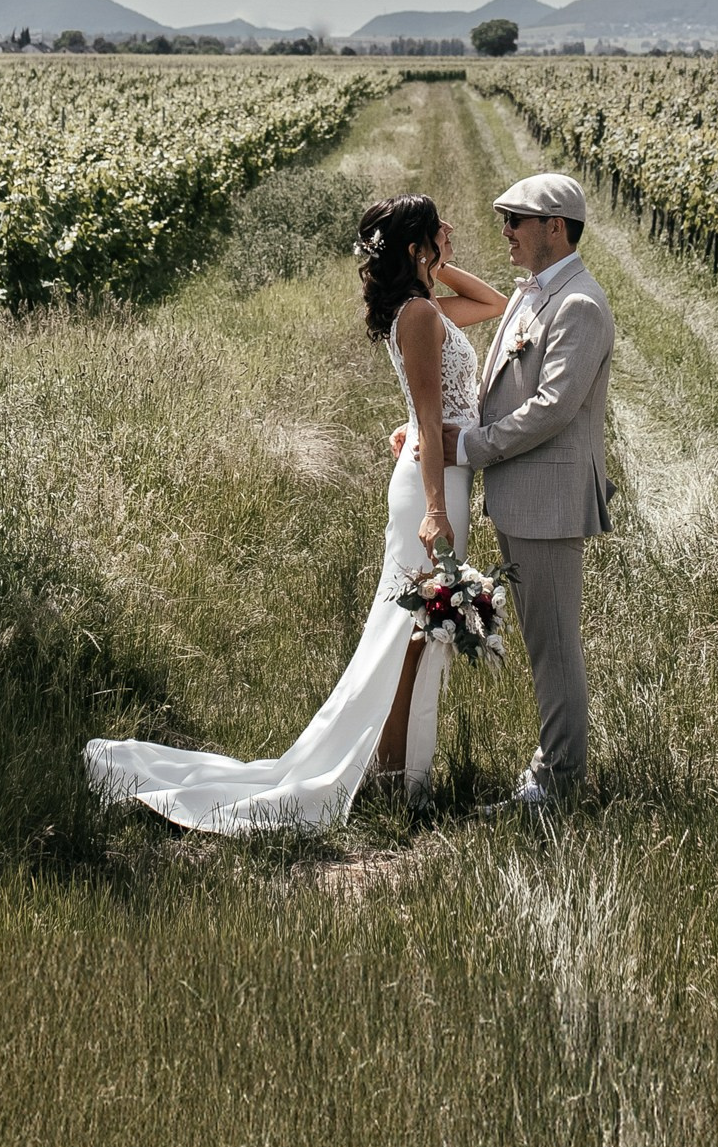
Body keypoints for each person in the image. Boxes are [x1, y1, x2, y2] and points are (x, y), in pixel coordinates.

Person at [82, 195, 506, 833]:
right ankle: (393, 784)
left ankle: (396, 777)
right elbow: (426, 419)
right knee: (409, 640)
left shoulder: (425, 307)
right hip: (432, 490)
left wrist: (433, 261)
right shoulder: (418, 316)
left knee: (415, 638)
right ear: (416, 244)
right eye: (438, 226)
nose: (453, 229)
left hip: (440, 476)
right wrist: (439, 509)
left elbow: (493, 305)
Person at [447, 173, 614, 814]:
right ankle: (550, 771)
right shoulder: (533, 294)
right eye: (504, 219)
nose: (506, 231)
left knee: (553, 645)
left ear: (555, 227)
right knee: (544, 641)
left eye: (516, 219)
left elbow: (551, 409)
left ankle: (560, 787)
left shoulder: (580, 305)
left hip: (548, 502)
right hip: (523, 497)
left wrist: (470, 447)